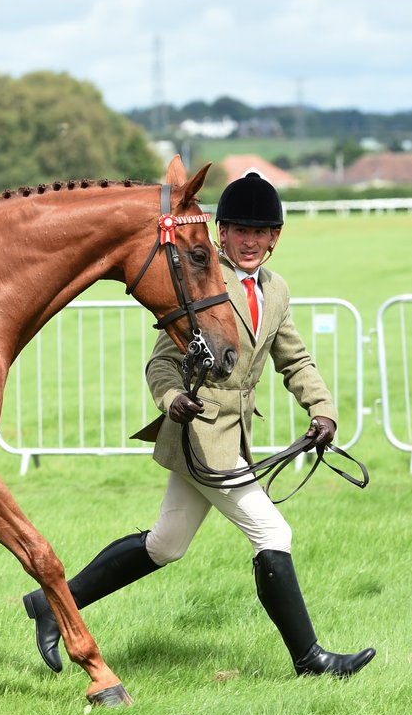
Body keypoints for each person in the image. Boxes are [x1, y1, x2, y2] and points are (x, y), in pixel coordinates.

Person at [22, 172, 375, 678]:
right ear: (220, 233)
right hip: (200, 436)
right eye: (240, 231)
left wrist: (322, 411)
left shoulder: (276, 290)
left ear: (274, 238)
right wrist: (171, 400)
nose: (250, 241)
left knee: (166, 544)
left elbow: (295, 360)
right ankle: (310, 659)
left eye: (260, 232)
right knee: (272, 530)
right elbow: (162, 364)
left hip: (233, 437)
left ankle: (49, 604)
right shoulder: (202, 281)